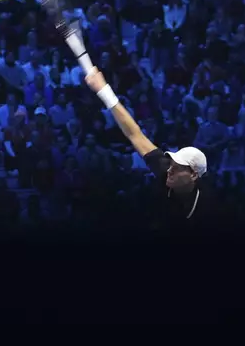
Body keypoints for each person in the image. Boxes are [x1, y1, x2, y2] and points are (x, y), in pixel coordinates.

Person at [85, 67, 220, 230]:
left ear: (193, 175)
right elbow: (135, 134)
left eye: (177, 168)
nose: (170, 170)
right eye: (171, 164)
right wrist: (104, 90)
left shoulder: (210, 206)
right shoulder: (165, 171)